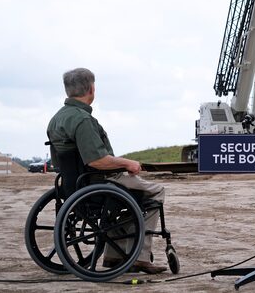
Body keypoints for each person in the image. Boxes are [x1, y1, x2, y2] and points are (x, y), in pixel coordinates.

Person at [47, 68, 167, 274]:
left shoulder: (56, 119)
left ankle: (113, 256)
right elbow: (97, 160)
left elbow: (60, 161)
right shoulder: (82, 120)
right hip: (99, 182)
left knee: (129, 204)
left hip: (74, 185)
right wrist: (128, 163)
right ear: (91, 89)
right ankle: (139, 257)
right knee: (156, 192)